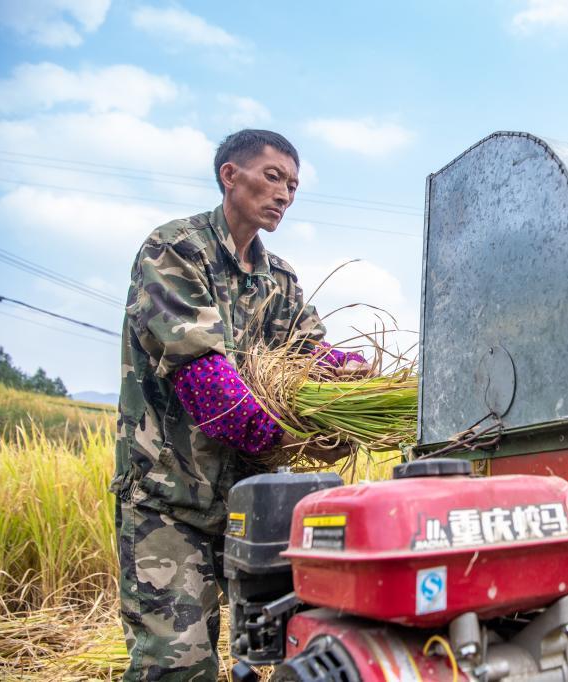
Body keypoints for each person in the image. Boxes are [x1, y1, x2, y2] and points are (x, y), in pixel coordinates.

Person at [112, 129, 364, 680]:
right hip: (170, 499)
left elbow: (308, 355)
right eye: (274, 177)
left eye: (294, 187)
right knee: (181, 664)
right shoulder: (176, 249)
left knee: (282, 651)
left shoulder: (281, 279)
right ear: (230, 175)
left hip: (253, 503)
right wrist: (290, 438)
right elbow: (210, 387)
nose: (284, 195)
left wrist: (353, 387)